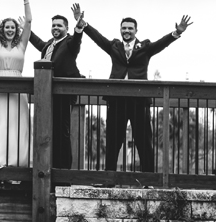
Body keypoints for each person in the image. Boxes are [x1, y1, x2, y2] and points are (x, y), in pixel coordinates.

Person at [83, 12, 194, 172]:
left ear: (136, 30)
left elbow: (161, 44)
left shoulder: (145, 47)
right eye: (124, 28)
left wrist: (176, 33)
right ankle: (109, 179)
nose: (126, 31)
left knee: (143, 140)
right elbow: (98, 38)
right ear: (120, 30)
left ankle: (148, 178)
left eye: (130, 28)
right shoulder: (114, 46)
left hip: (139, 100)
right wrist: (84, 25)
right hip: (117, 100)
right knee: (113, 140)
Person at [28, 4, 85, 169]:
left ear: (66, 28)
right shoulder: (49, 45)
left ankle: (63, 173)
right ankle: (49, 169)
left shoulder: (68, 42)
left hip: (62, 94)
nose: (55, 28)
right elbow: (37, 42)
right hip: (47, 94)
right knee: (48, 133)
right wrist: (25, 30)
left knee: (62, 134)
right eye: (53, 25)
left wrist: (79, 29)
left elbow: (76, 42)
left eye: (59, 25)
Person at [0, 0, 33, 168]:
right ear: (3, 29)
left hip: (17, 88)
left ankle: (17, 163)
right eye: (7, 27)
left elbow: (28, 22)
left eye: (13, 27)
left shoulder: (21, 46)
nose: (10, 30)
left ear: (16, 30)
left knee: (17, 125)